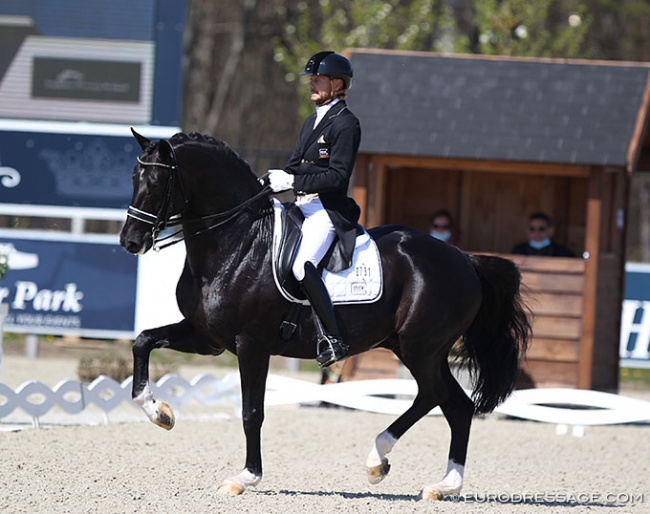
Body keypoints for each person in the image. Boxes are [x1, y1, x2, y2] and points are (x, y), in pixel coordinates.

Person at [265, 51, 361, 369]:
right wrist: (268, 183)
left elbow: (337, 177)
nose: (312, 85)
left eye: (317, 80)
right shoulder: (311, 122)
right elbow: (293, 167)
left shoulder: (346, 124)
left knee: (301, 265)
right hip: (301, 205)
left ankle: (333, 338)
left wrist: (292, 178)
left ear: (337, 84)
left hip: (326, 210)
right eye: (311, 80)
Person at [511, 211, 575, 257]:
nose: (536, 232)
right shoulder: (518, 251)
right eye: (532, 229)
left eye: (541, 229)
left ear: (551, 230)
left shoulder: (563, 252)